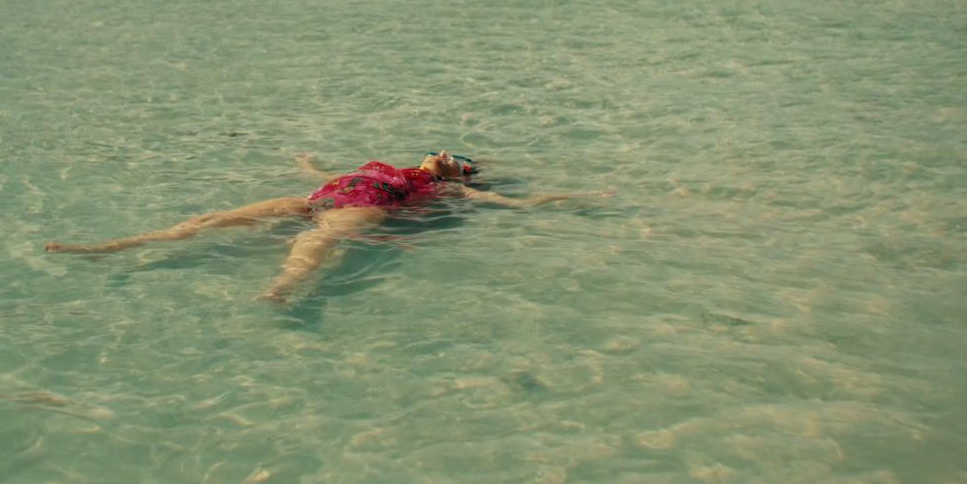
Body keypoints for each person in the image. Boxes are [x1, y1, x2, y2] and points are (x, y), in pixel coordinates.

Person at [45, 150, 610, 302]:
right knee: (211, 219)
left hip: (360, 209)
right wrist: (307, 167)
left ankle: (284, 290)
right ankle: (112, 247)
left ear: (462, 171)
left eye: (454, 155)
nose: (443, 152)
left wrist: (576, 198)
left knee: (315, 244)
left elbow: (518, 206)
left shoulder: (444, 187)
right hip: (320, 193)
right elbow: (333, 170)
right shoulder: (388, 162)